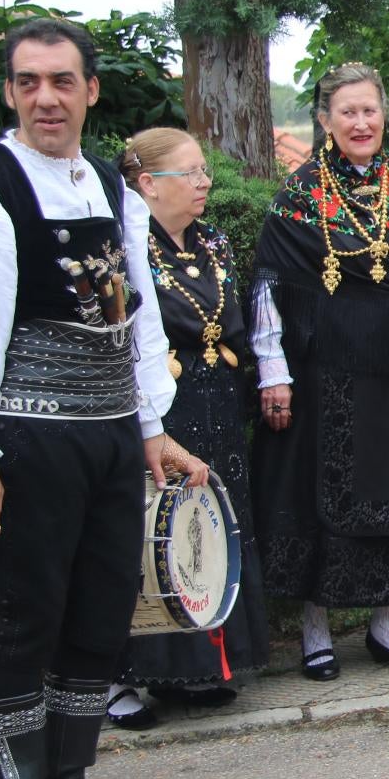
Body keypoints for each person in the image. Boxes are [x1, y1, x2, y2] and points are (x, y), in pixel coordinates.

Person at [0, 18, 206, 779]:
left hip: (111, 434)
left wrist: (150, 425)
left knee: (98, 609)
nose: (47, 97)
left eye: (63, 81)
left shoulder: (109, 192)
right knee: (27, 615)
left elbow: (136, 315)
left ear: (90, 91)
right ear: (10, 91)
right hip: (29, 438)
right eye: (30, 81)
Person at [251, 63, 389, 681]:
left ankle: (386, 627)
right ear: (324, 121)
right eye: (348, 112)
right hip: (329, 373)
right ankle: (316, 634)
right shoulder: (299, 194)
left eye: (370, 110)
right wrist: (275, 372)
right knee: (327, 495)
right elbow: (269, 286)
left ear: (383, 114)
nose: (361, 123)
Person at [106, 129, 271, 730]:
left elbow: (230, 317)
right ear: (148, 184)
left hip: (215, 400)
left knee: (208, 529)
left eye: (205, 171)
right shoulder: (127, 249)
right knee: (152, 530)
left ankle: (197, 670)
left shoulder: (211, 241)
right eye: (191, 173)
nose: (204, 183)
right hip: (160, 405)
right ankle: (123, 678)